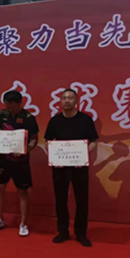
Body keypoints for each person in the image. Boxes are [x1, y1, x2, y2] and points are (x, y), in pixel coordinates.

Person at [44, 89, 99, 247]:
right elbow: (48, 142)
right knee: (60, 199)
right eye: (64, 98)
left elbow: (94, 141)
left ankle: (81, 233)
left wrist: (83, 154)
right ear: (60, 101)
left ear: (76, 101)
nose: (67, 100)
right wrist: (54, 156)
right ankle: (63, 231)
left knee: (82, 200)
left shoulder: (85, 120)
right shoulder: (55, 121)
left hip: (79, 166)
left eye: (70, 98)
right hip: (60, 167)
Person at [0, 91, 39, 236]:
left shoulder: (29, 118)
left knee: (22, 191)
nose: (10, 110)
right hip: (3, 159)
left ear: (20, 104)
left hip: (21, 161)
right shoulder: (2, 114)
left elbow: (34, 139)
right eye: (8, 106)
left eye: (13, 107)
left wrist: (26, 150)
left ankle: (23, 223)